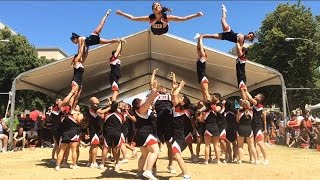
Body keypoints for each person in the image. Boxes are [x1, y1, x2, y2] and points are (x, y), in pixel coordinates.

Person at [116, 2, 203, 35]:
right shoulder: (149, 18)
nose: (156, 6)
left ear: (161, 8)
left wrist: (196, 15)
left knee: (164, 20)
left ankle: (165, 24)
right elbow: (133, 18)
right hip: (155, 31)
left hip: (164, 30)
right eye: (155, 6)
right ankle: (156, 24)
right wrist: (121, 13)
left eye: (158, 5)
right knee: (153, 21)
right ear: (153, 9)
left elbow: (183, 18)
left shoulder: (167, 17)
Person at [132, 82, 159, 180]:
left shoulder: (143, 109)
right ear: (137, 105)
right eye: (140, 101)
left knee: (144, 155)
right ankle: (148, 171)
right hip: (145, 133)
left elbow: (149, 102)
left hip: (142, 133)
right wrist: (153, 91)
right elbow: (148, 101)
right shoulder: (141, 109)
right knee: (155, 151)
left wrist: (154, 93)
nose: (142, 101)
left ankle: (139, 173)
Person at [170, 78, 191, 179]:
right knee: (175, 155)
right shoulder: (181, 109)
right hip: (179, 134)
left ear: (183, 103)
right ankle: (184, 172)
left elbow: (174, 96)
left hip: (178, 134)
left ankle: (186, 173)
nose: (180, 98)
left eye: (181, 98)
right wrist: (174, 88)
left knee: (176, 155)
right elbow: (173, 96)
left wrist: (180, 87)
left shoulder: (179, 109)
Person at [236, 100, 257, 164]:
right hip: (248, 128)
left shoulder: (239, 111)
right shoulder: (251, 111)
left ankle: (240, 160)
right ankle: (255, 160)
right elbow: (252, 119)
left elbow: (237, 120)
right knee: (251, 146)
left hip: (241, 128)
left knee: (240, 146)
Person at [194, 34, 210, 101]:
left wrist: (200, 38)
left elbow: (200, 47)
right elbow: (198, 48)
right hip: (200, 77)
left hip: (203, 76)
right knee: (203, 92)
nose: (200, 52)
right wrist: (198, 40)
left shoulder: (203, 57)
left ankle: (209, 103)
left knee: (206, 92)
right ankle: (205, 103)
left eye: (202, 51)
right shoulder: (200, 58)